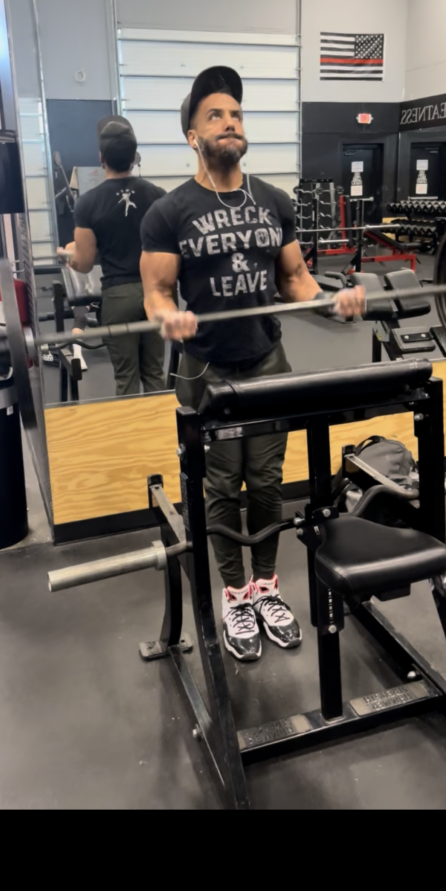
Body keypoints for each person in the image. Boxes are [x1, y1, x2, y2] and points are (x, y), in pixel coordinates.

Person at [140, 67, 365, 662]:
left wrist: (332, 301)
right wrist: (167, 316)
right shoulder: (168, 211)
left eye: (236, 113)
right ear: (193, 136)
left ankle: (266, 586)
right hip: (204, 368)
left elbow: (295, 279)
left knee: (265, 481)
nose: (230, 122)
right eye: (215, 114)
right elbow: (156, 292)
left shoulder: (273, 201)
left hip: (266, 361)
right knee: (220, 486)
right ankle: (234, 595)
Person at [60, 116, 166, 396]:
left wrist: (66, 256)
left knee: (126, 378)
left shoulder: (88, 203)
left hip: (119, 297)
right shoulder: (158, 195)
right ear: (134, 157)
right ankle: (162, 425)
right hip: (156, 293)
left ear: (101, 158)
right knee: (155, 374)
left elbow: (84, 264)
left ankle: (132, 426)